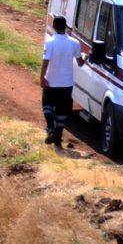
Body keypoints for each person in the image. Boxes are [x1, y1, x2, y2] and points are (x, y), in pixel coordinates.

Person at [41, 17, 82, 147]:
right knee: (62, 110)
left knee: (47, 105)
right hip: (67, 83)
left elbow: (46, 61)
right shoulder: (74, 43)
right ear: (66, 27)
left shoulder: (50, 42)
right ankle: (58, 138)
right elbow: (80, 63)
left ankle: (50, 127)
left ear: (53, 26)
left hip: (51, 81)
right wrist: (86, 56)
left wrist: (42, 77)